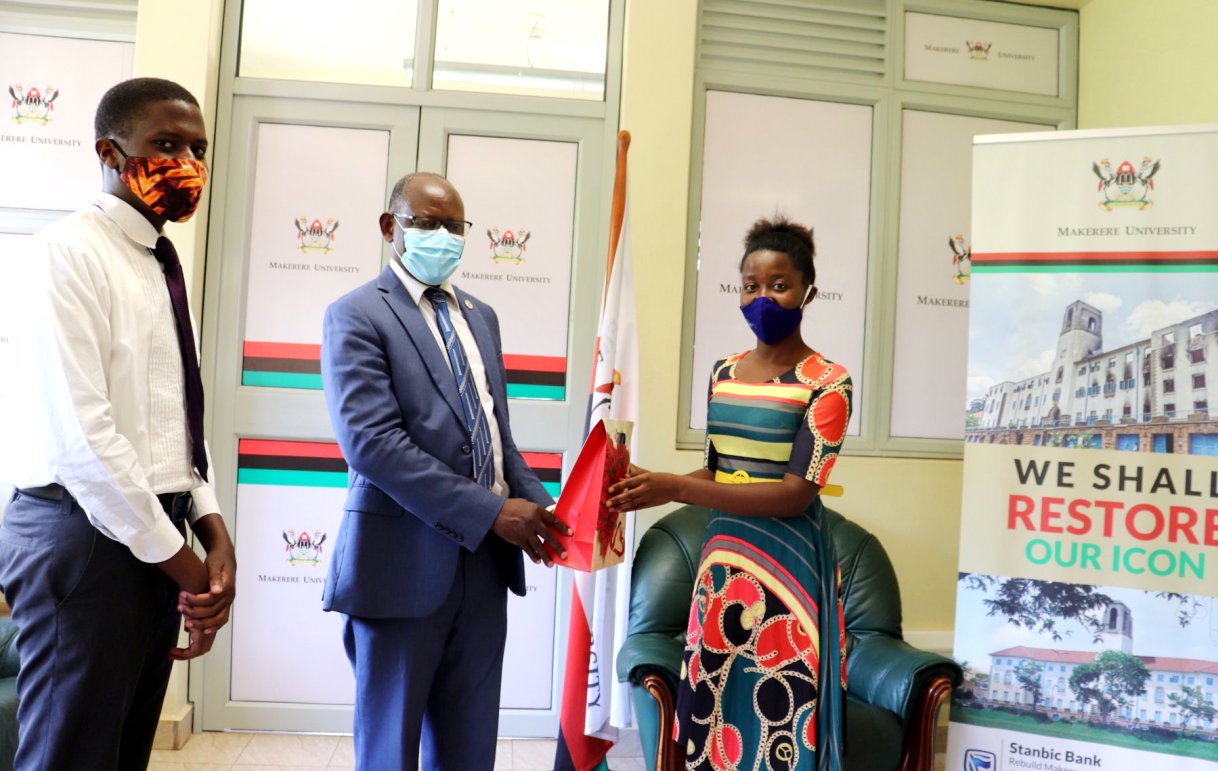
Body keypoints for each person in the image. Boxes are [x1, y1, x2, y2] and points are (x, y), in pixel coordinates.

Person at [0, 77, 236, 771]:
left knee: (122, 751)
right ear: (109, 151)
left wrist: (212, 522)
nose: (186, 162)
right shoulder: (66, 253)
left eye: (197, 147)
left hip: (151, 533)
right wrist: (188, 565)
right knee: (70, 753)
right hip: (82, 535)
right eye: (165, 145)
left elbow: (173, 413)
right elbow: (83, 439)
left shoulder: (160, 260)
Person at [320, 171, 572, 771]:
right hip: (399, 567)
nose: (443, 236)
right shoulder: (355, 314)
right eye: (426, 224)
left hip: (484, 571)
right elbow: (372, 444)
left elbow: (495, 437)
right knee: (390, 750)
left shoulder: (481, 316)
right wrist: (492, 512)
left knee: (469, 748)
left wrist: (545, 508)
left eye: (454, 226)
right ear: (391, 229)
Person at [608, 216, 852, 771]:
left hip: (790, 570)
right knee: (712, 713)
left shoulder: (828, 381)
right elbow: (720, 473)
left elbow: (794, 494)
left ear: (808, 290)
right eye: (750, 284)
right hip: (722, 569)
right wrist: (648, 483)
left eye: (779, 284)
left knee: (780, 715)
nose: (762, 296)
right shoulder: (723, 371)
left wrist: (675, 489)